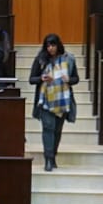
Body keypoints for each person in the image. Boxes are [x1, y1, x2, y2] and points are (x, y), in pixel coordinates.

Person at [30, 33, 79, 172]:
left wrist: (68, 79)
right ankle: (48, 159)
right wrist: (42, 78)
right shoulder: (40, 59)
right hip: (45, 99)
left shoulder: (68, 59)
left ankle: (53, 156)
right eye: (48, 46)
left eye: (53, 45)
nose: (51, 48)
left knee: (57, 130)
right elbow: (31, 79)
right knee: (48, 128)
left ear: (58, 45)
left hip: (63, 100)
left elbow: (76, 79)